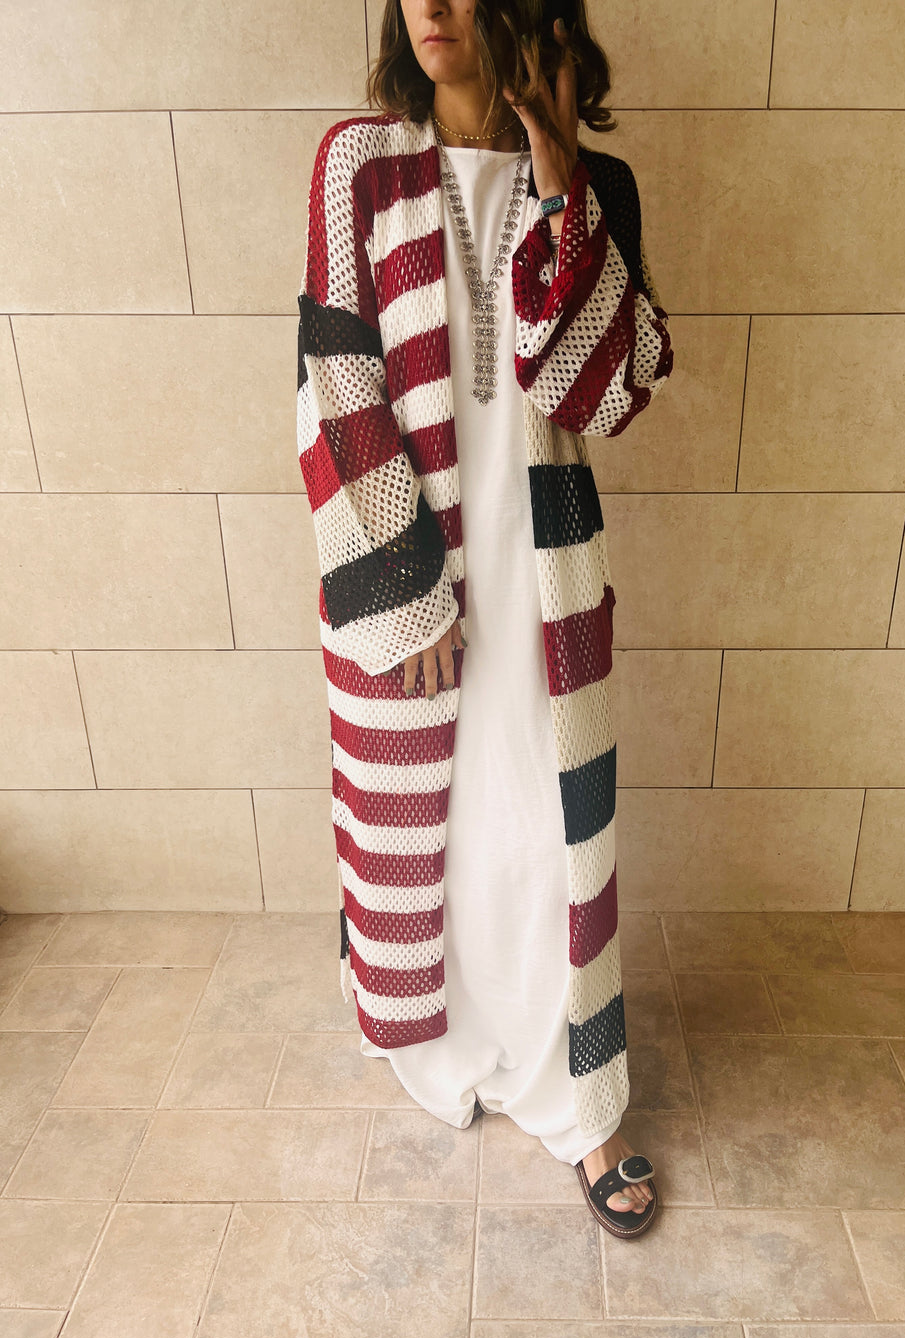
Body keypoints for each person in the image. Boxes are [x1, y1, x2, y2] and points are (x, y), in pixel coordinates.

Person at [296, 0, 673, 1238]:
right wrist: (406, 593)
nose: (434, 6)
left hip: (542, 570)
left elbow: (602, 394)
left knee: (550, 840)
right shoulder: (359, 164)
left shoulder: (601, 188)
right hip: (413, 571)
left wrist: (563, 197)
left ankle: (582, 1100)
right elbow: (336, 373)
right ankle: (448, 1043)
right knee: (433, 838)